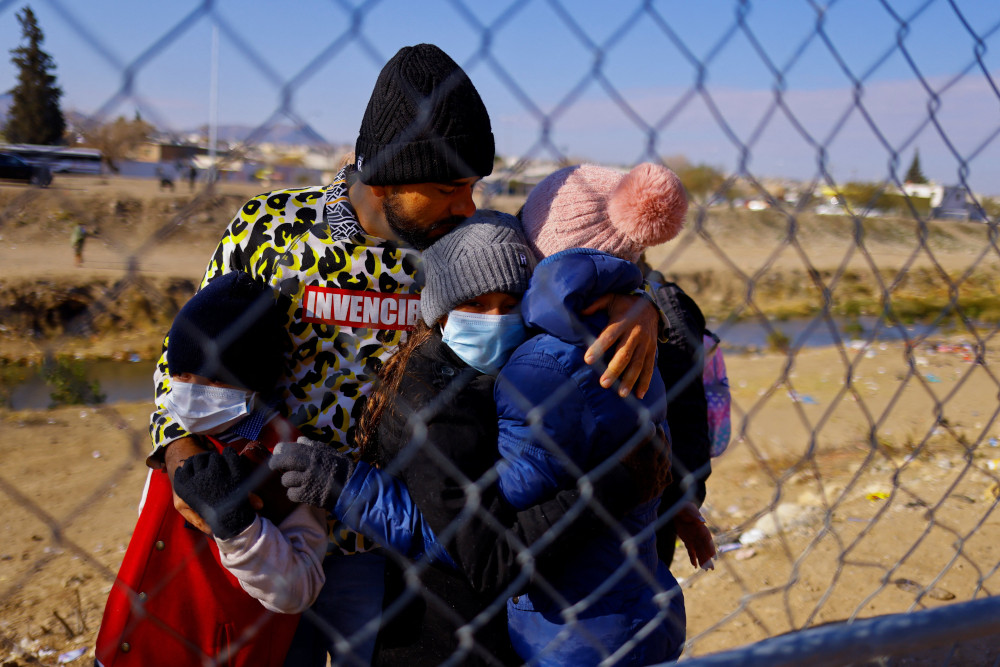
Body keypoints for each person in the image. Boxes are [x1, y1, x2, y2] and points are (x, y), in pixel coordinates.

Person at [146, 43, 661, 666]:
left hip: (400, 543)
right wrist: (182, 458)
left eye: (473, 188)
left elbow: (571, 276)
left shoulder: (470, 246)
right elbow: (186, 359)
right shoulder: (271, 228)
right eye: (447, 188)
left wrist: (639, 302)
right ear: (384, 177)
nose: (467, 206)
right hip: (274, 526)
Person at [269, 209, 668, 665]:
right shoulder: (439, 407)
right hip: (445, 639)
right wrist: (615, 484)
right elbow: (488, 558)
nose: (496, 320)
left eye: (509, 303)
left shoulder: (514, 374)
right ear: (440, 315)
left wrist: (637, 302)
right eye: (475, 304)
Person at [497, 162, 717, 664]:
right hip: (632, 570)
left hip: (583, 583)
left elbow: (682, 429)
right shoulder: (638, 308)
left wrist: (672, 498)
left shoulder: (653, 319)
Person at [95, 271, 328, 667]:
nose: (190, 390)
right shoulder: (174, 439)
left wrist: (239, 526)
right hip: (130, 643)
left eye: (213, 380)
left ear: (254, 380)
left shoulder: (286, 461)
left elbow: (299, 590)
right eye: (182, 374)